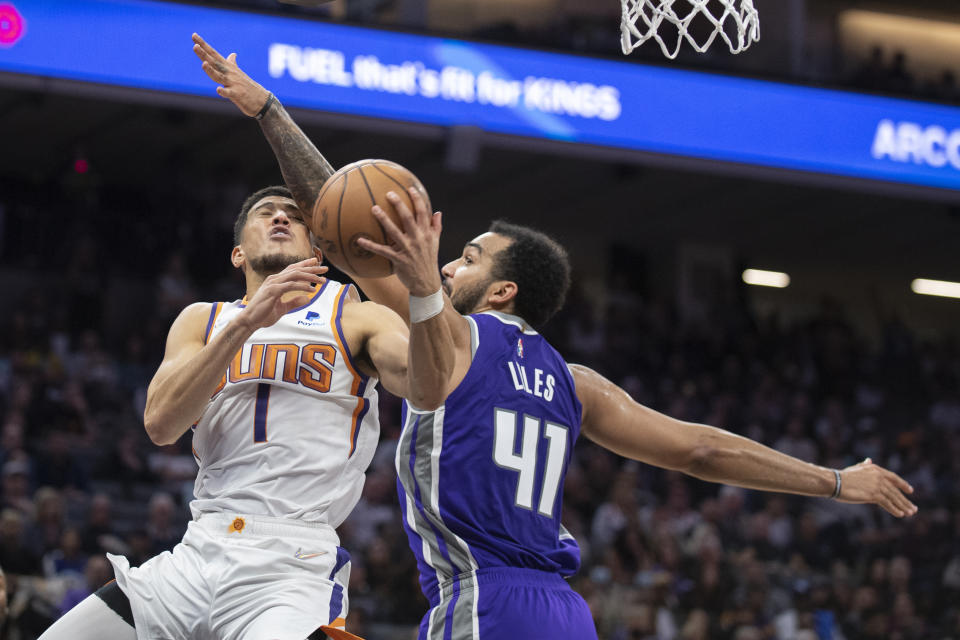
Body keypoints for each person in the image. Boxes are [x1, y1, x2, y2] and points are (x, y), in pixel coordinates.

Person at [193, 35, 918, 639]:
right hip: (567, 615)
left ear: (502, 290)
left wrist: (269, 114)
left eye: (469, 258)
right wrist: (832, 480)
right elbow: (701, 449)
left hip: (486, 601)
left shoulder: (448, 334)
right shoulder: (576, 382)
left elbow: (337, 216)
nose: (449, 264)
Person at [38, 180, 435, 640]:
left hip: (290, 561)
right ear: (237, 255)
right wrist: (247, 322)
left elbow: (426, 389)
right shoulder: (202, 319)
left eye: (296, 216)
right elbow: (161, 425)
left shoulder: (356, 316)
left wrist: (424, 291)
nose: (282, 218)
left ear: (318, 254)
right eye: (265, 213)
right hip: (198, 548)